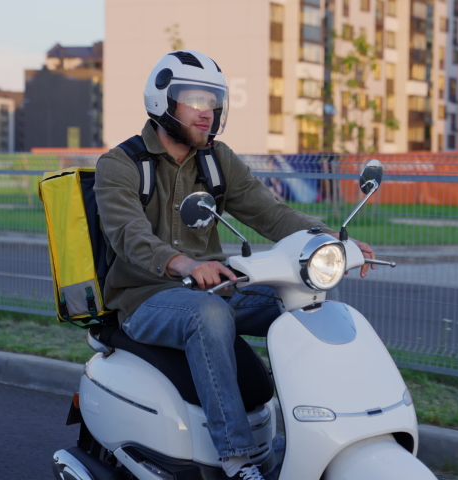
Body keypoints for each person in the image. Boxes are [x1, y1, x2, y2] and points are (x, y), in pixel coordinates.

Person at [94, 50, 376, 479]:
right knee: (206, 315)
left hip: (212, 285)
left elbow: (271, 214)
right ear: (163, 102)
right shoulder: (120, 164)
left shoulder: (216, 159)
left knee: (304, 299)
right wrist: (182, 262)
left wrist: (331, 241)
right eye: (196, 100)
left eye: (214, 102)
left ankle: (324, 428)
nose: (208, 113)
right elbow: (128, 235)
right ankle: (238, 459)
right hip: (144, 299)